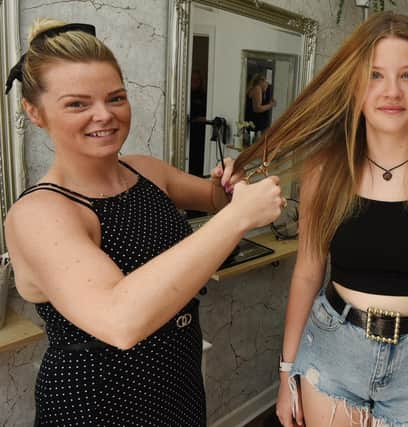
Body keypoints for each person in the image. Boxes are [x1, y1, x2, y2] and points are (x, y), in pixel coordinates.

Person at [233, 12, 408, 427]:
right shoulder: (326, 166)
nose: (392, 92)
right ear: (354, 85)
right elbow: (309, 272)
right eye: (375, 75)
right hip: (334, 349)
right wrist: (285, 373)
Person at [3, 19, 284, 426]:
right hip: (97, 399)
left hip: (176, 374)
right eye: (77, 104)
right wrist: (240, 217)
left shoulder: (146, 171)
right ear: (35, 112)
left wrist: (230, 182)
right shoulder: (41, 213)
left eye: (116, 98)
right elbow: (119, 320)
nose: (104, 115)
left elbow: (215, 199)